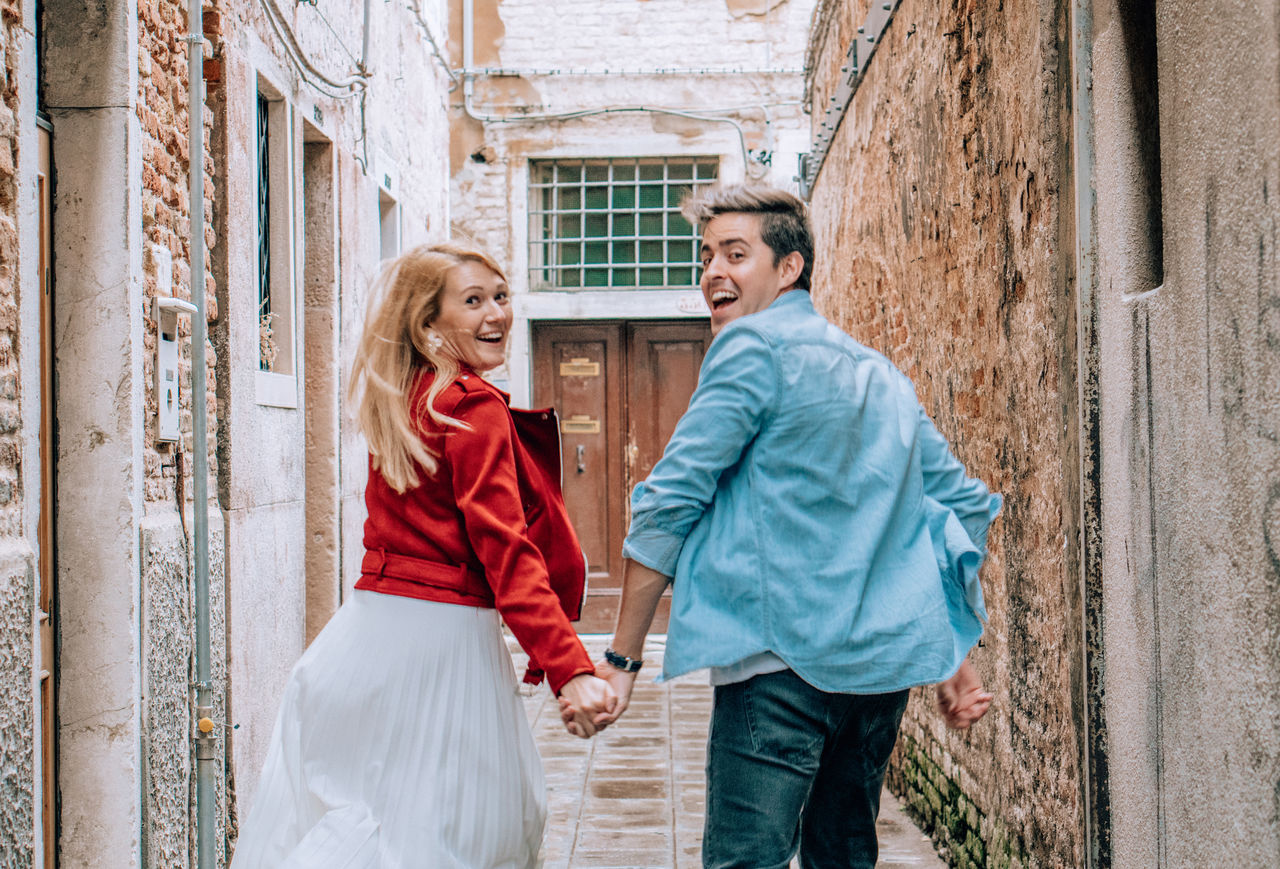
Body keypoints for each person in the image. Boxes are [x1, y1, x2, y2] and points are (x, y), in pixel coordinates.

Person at [583, 185, 1001, 869]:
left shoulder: (751, 347)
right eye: (707, 254)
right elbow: (943, 508)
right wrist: (951, 654)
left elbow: (671, 501)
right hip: (876, 681)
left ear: (789, 268)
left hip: (777, 671)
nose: (713, 270)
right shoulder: (882, 377)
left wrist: (622, 659)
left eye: (736, 253)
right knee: (842, 858)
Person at [230, 242, 615, 869]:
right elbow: (505, 549)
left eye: (500, 296)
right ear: (428, 324)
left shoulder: (404, 399)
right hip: (441, 647)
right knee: (468, 832)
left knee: (372, 824)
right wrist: (570, 667)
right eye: (472, 302)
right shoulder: (469, 406)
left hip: (363, 640)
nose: (496, 314)